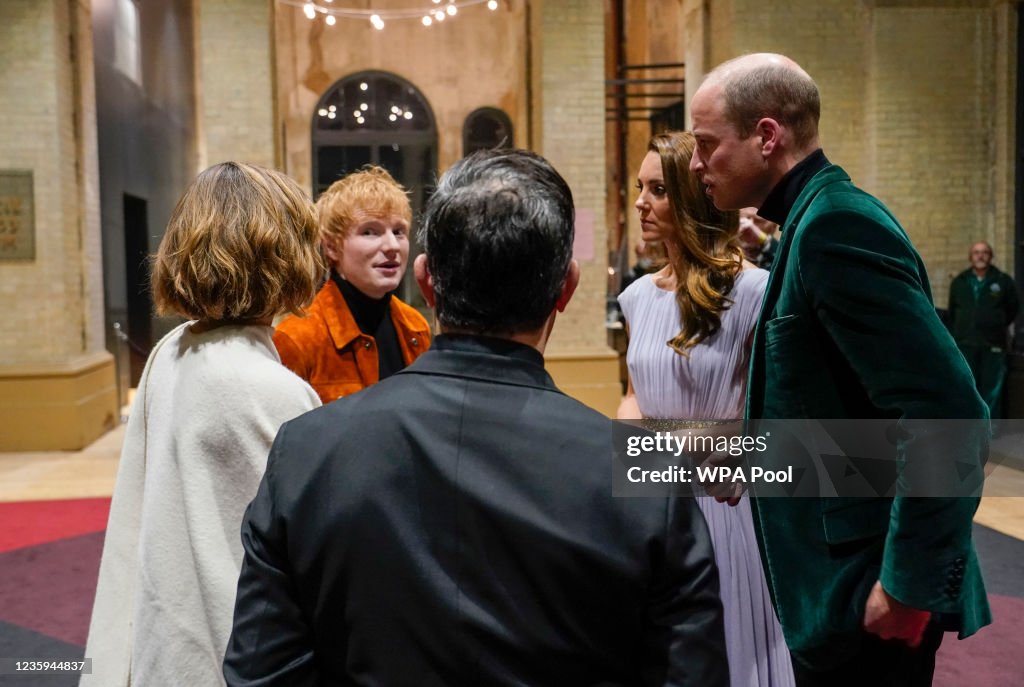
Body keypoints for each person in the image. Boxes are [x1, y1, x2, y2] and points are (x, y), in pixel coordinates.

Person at [224, 149, 728, 686]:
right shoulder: (648, 479)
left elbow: (263, 670)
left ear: (427, 280)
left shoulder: (306, 450)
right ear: (567, 287)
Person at [688, 53, 991, 686]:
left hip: (866, 598)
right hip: (839, 592)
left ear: (767, 136)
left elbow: (949, 410)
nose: (695, 164)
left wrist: (906, 587)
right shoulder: (810, 223)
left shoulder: (835, 226)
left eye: (706, 145)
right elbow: (838, 405)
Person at [81, 162, 324, 687]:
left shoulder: (173, 349)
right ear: (284, 253)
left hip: (162, 646)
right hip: (229, 657)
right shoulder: (273, 390)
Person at [618, 131, 793, 687]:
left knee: (731, 658)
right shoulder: (637, 297)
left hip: (724, 509)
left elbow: (765, 422)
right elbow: (633, 395)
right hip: (653, 507)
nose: (641, 202)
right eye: (639, 188)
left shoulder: (757, 292)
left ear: (694, 199)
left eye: (659, 190)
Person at [273, 165, 431, 404]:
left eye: (399, 231)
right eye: (370, 232)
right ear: (332, 247)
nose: (392, 246)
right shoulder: (297, 338)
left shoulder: (416, 328)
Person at [948, 241, 1020, 418]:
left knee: (992, 388)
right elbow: (952, 311)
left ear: (991, 256)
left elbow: (1013, 308)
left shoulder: (1003, 281)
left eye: (985, 252)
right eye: (976, 252)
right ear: (970, 257)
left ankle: (990, 427)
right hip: (965, 342)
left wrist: (995, 324)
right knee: (967, 386)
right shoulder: (960, 282)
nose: (980, 256)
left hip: (993, 343)